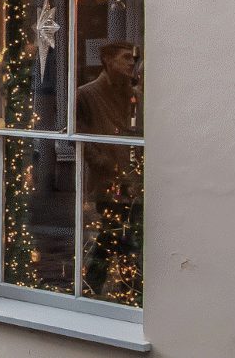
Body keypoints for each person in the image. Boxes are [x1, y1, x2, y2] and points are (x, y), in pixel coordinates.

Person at [75, 42, 143, 300]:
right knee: (120, 236)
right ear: (107, 60)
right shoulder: (86, 94)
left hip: (133, 180)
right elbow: (80, 136)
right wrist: (106, 165)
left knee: (117, 236)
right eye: (125, 58)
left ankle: (101, 286)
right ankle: (125, 290)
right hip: (108, 182)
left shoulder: (134, 95)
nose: (131, 63)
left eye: (133, 58)